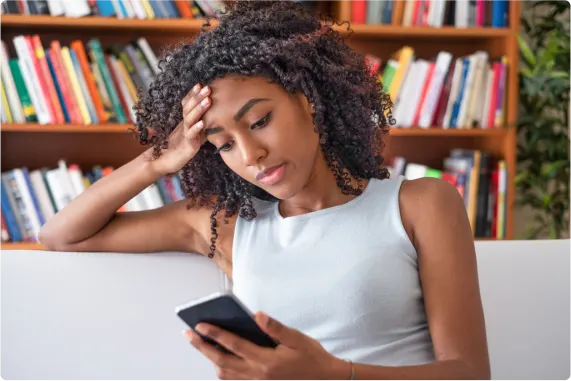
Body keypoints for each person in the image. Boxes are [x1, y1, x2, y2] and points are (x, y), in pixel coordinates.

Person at [39, 1, 490, 380]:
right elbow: (61, 235)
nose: (250, 154)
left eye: (259, 122)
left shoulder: (419, 204)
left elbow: (469, 371)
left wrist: (335, 374)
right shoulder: (229, 225)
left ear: (308, 101)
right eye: (224, 143)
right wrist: (161, 157)